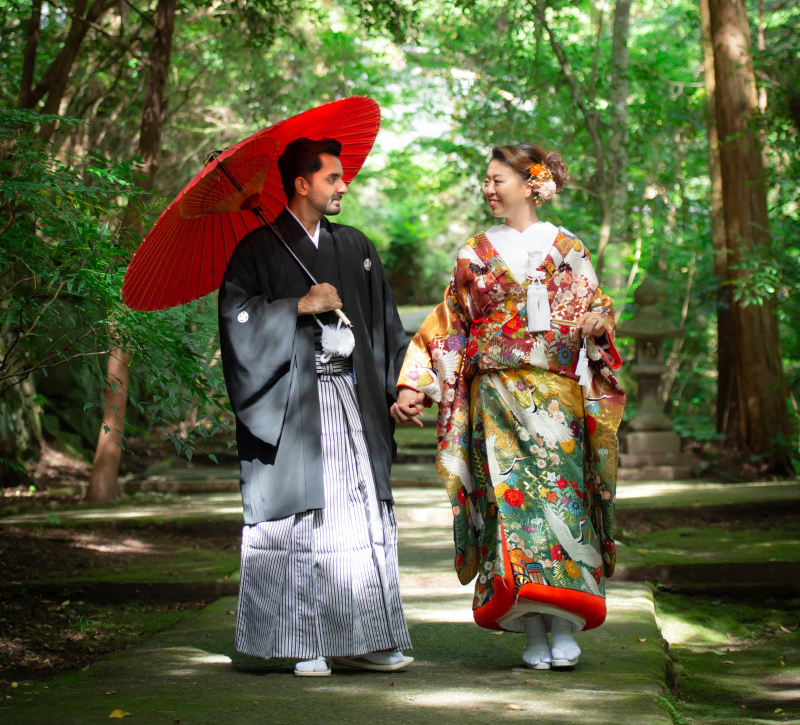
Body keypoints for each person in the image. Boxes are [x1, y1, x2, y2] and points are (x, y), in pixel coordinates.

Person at [394, 143, 625, 670]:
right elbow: (449, 325)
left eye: (499, 179)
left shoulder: (568, 248)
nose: (489, 188)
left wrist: (597, 321)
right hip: (494, 400)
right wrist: (414, 382)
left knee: (561, 504)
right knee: (507, 508)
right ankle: (529, 628)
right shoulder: (474, 252)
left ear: (531, 184)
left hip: (556, 398)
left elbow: (597, 304)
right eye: (486, 179)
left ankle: (564, 622)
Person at [218, 136, 414, 677]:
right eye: (332, 177)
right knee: (306, 521)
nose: (343, 186)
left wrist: (405, 386)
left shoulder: (357, 248)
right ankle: (303, 640)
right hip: (294, 407)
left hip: (353, 402)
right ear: (302, 184)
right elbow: (237, 325)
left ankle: (368, 636)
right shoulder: (255, 252)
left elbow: (387, 326)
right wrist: (299, 305)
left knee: (358, 517)